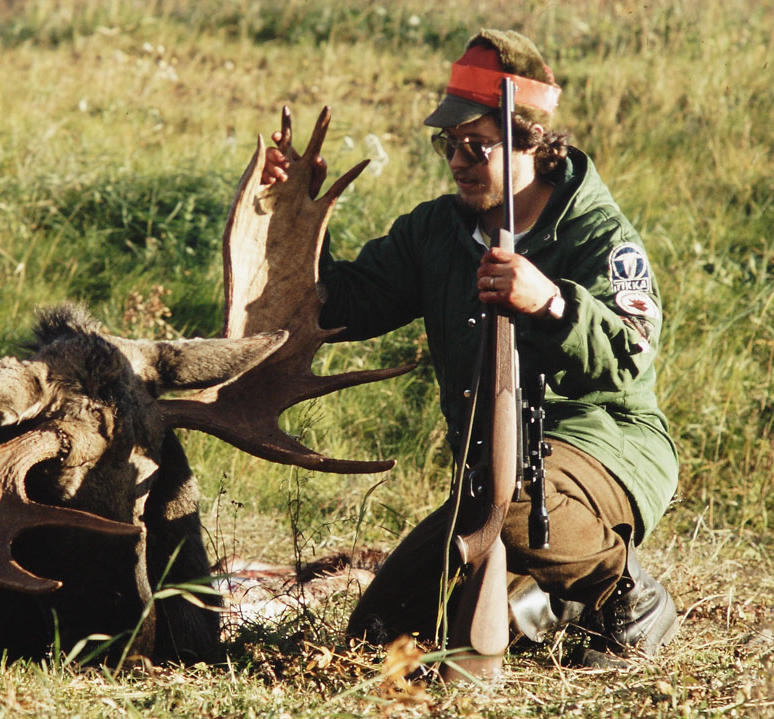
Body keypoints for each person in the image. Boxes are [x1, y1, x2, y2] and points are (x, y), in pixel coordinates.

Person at [261, 29, 678, 665]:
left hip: (607, 447)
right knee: (380, 635)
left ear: (532, 141)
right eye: (448, 145)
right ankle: (550, 600)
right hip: (489, 477)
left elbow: (629, 356)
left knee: (510, 499)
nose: (457, 161)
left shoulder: (598, 233)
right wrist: (292, 218)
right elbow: (340, 306)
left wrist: (552, 303)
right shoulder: (436, 231)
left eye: (475, 145)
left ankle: (623, 592)